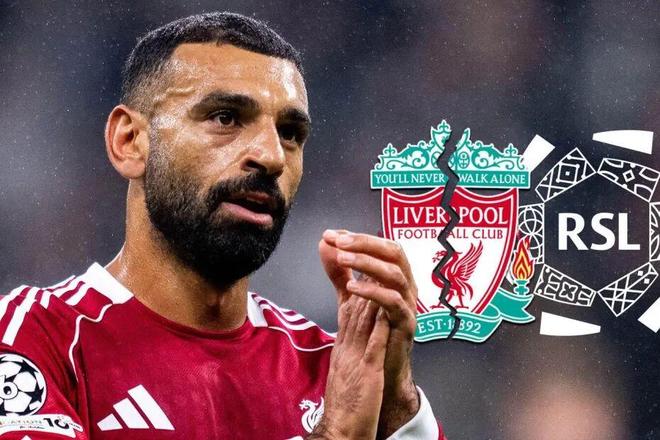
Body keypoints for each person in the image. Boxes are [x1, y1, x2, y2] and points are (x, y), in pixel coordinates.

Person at [0, 12, 445, 439]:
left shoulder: (332, 369)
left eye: (290, 133)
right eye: (226, 117)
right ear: (130, 142)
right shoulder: (34, 339)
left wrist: (396, 405)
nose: (272, 156)